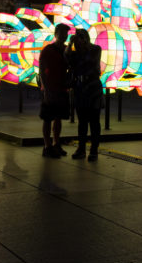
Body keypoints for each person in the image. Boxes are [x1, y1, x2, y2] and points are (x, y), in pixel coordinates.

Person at [66, 28, 103, 161]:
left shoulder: (95, 49)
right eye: (77, 38)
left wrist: (84, 44)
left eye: (81, 37)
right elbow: (66, 57)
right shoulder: (75, 55)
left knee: (94, 121)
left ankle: (94, 150)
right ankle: (81, 149)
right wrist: (70, 44)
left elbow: (91, 60)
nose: (79, 41)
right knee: (82, 121)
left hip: (93, 88)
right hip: (80, 88)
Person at [38, 23, 71, 158]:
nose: (64, 35)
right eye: (62, 32)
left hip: (61, 87)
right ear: (56, 33)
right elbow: (42, 71)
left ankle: (55, 144)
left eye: (66, 33)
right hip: (51, 88)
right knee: (48, 117)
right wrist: (45, 88)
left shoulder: (65, 50)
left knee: (57, 117)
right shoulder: (49, 50)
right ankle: (48, 145)